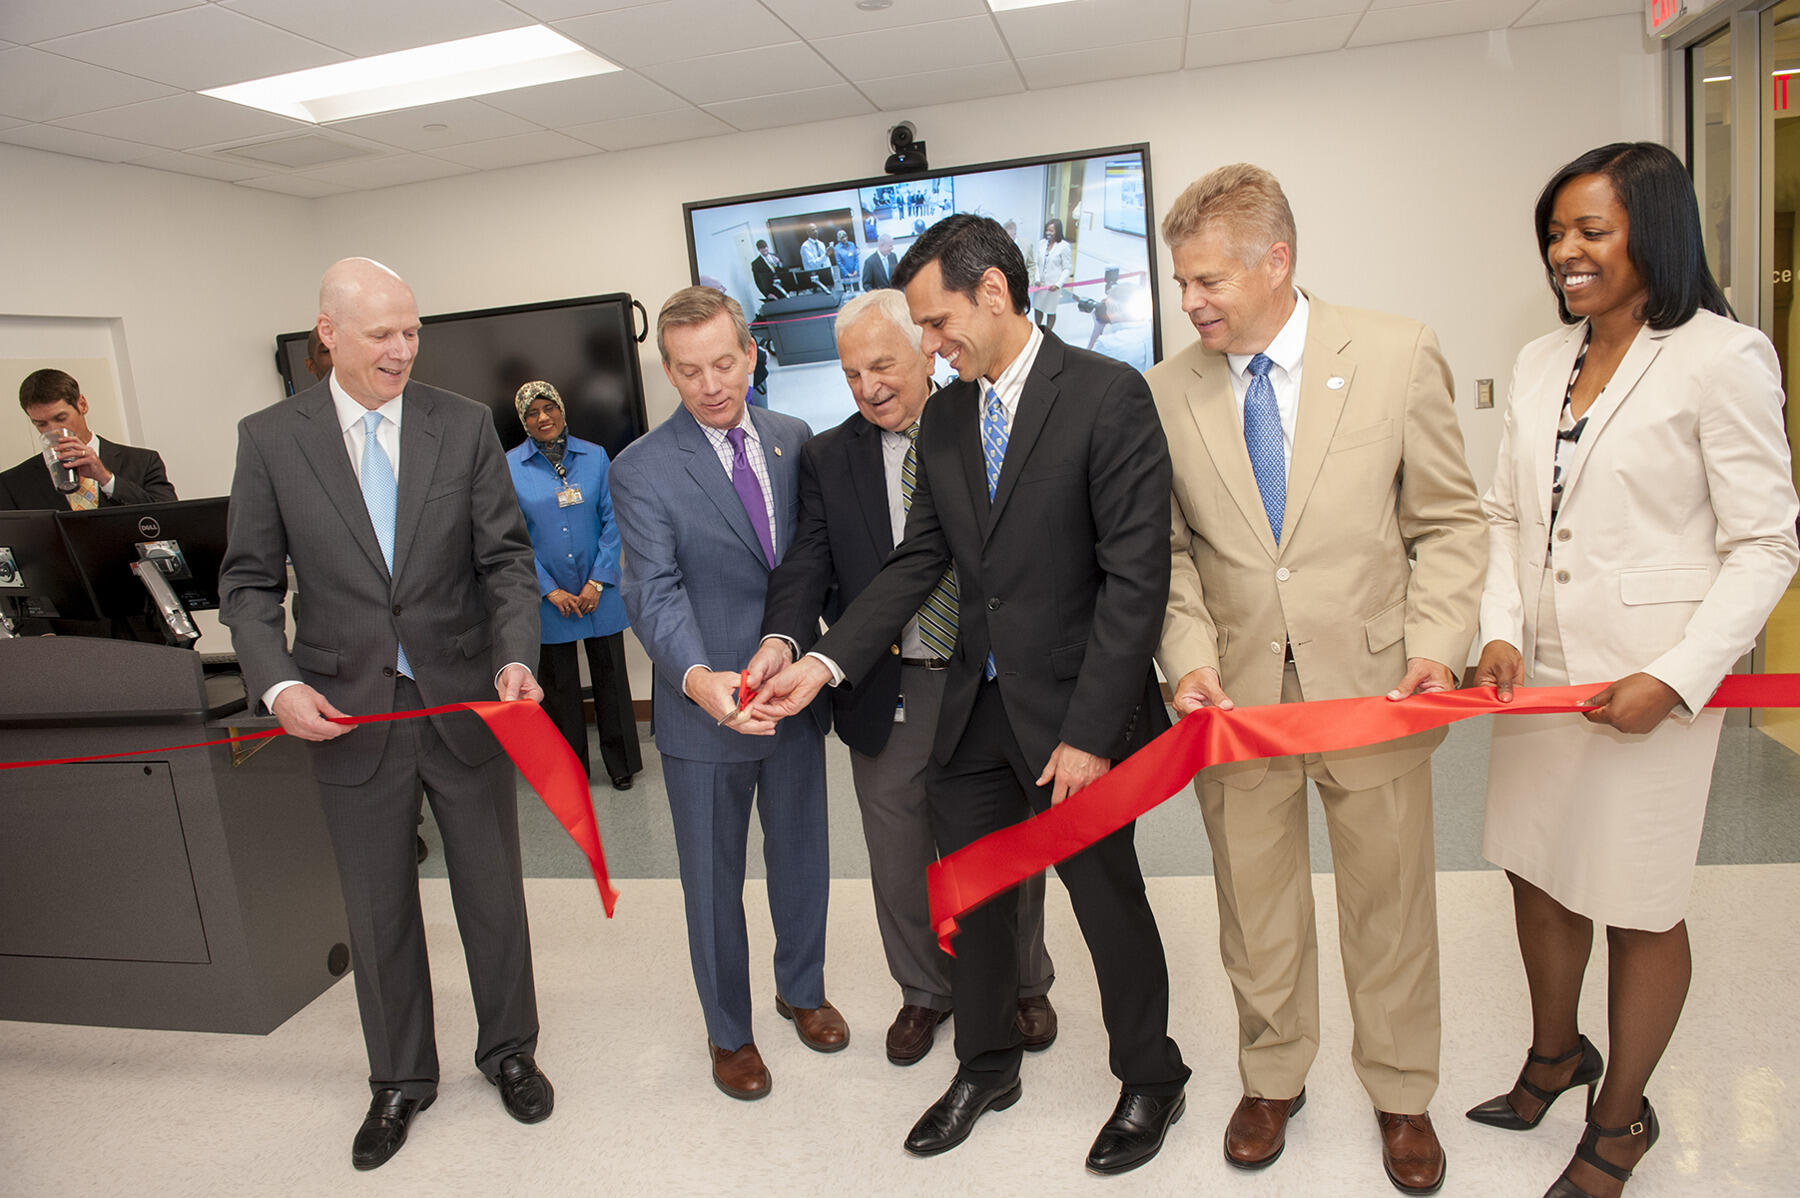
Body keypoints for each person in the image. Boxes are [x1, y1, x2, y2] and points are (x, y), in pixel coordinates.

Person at [753, 215, 1189, 1175]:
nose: (929, 343)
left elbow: (1136, 580)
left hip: (1077, 717)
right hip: (974, 710)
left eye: (936, 321)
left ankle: (1152, 1077)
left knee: (1106, 901)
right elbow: (921, 560)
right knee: (976, 900)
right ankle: (987, 1065)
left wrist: (1090, 735)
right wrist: (823, 663)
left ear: (993, 292)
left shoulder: (1106, 394)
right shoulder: (950, 418)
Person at [1467, 142, 1798, 1198]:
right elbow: (1506, 515)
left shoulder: (1723, 356)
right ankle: (1555, 1055)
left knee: (1637, 898)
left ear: (1653, 232)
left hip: (1650, 681)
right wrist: (1499, 627)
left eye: (1590, 230)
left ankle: (1620, 1120)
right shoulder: (1538, 360)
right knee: (1535, 866)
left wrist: (1682, 675)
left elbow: (1767, 543)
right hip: (1540, 676)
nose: (1565, 250)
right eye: (1555, 232)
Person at [1146, 163, 1485, 1196]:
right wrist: (1189, 658)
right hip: (1236, 701)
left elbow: (1448, 521)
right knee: (1256, 908)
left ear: (1276, 261)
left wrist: (1440, 640)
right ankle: (1272, 1077)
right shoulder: (1165, 391)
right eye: (1181, 281)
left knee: (1391, 904)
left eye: (1208, 280)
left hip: (1377, 687)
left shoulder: (1394, 352)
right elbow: (1168, 555)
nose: (1190, 301)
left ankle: (1402, 1092)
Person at [218, 258, 554, 1171]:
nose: (403, 350)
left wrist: (515, 657)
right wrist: (279, 686)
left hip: (464, 697)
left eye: (411, 331)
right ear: (328, 332)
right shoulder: (271, 439)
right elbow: (247, 585)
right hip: (346, 710)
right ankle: (401, 1079)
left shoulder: (463, 423)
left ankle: (509, 1050)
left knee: (493, 892)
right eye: (381, 334)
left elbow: (506, 563)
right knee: (377, 907)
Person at [745, 288, 1058, 1068]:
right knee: (897, 853)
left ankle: (1024, 983)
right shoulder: (828, 457)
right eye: (851, 374)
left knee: (1005, 843)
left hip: (985, 680)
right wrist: (784, 638)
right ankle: (925, 990)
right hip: (887, 686)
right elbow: (807, 564)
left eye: (882, 365)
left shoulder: (985, 425)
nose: (869, 387)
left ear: (926, 348)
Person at [608, 285, 844, 1102]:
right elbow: (653, 591)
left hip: (792, 696)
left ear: (750, 353)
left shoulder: (793, 439)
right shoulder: (640, 468)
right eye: (689, 370)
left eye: (722, 363)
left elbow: (811, 561)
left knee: (803, 857)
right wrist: (698, 679)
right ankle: (729, 1033)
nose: (710, 385)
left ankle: (802, 990)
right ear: (668, 371)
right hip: (705, 708)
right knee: (713, 883)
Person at [505, 380, 642, 790]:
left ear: (562, 409)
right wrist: (548, 589)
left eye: (549, 408)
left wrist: (598, 581)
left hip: (599, 590)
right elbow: (512, 537)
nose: (543, 417)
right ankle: (570, 769)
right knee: (559, 688)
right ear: (524, 421)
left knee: (611, 679)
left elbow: (613, 520)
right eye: (532, 413)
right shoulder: (509, 466)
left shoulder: (595, 456)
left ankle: (621, 765)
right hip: (549, 596)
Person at [1, 369, 176, 511]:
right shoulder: (13, 483)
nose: (53, 431)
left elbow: (170, 519)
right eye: (41, 424)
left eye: (61, 418)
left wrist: (106, 479)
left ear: (82, 405)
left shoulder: (143, 462)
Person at [1030, 217, 1073, 333]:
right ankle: (1038, 330)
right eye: (1047, 230)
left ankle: (1048, 333)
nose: (1048, 233)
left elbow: (1067, 268)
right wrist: (1037, 279)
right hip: (1040, 284)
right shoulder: (1042, 243)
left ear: (1057, 231)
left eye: (1051, 231)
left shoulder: (1064, 246)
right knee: (1038, 307)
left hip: (1053, 285)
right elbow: (1036, 263)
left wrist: (1058, 284)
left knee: (1050, 310)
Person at [800, 225, 832, 291]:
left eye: (816, 229)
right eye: (812, 230)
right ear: (808, 232)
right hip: (815, 280)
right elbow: (813, 263)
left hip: (827, 279)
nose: (815, 231)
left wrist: (831, 275)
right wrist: (825, 255)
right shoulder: (805, 246)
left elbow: (826, 261)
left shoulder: (821, 244)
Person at [833, 228, 860, 293]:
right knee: (848, 293)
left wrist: (856, 270)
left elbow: (856, 258)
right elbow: (839, 263)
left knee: (857, 291)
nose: (845, 238)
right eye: (842, 237)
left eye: (845, 236)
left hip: (855, 273)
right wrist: (847, 274)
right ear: (839, 239)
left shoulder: (852, 244)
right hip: (845, 275)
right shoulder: (837, 248)